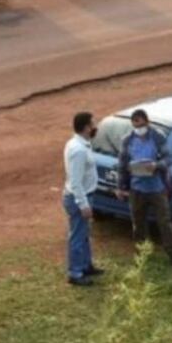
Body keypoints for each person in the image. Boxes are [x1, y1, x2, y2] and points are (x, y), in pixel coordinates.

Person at [117, 109, 172, 267]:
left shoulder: (157, 137)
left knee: (165, 222)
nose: (138, 128)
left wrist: (156, 165)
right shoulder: (127, 140)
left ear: (147, 122)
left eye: (140, 124)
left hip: (156, 188)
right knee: (138, 224)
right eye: (135, 125)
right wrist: (120, 187)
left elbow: (168, 158)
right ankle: (142, 255)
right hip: (136, 189)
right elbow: (122, 165)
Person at [63, 111, 105, 287]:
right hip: (79, 198)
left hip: (85, 196)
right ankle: (75, 273)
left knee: (84, 234)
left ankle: (86, 266)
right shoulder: (78, 150)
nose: (94, 126)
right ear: (86, 127)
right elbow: (76, 181)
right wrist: (83, 204)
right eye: (92, 124)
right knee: (78, 236)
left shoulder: (81, 144)